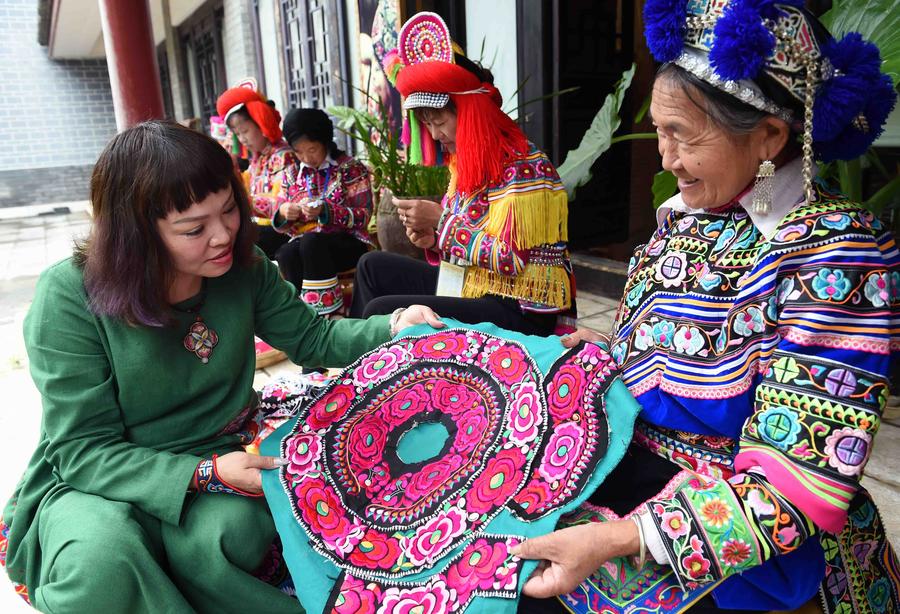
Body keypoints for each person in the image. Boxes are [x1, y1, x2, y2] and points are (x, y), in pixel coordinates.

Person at [513, 2, 899, 613]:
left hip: (752, 548)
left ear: (770, 135)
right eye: (661, 133)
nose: (666, 159)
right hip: (637, 478)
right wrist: (600, 357)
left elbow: (797, 480)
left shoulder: (835, 254)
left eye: (685, 137)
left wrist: (623, 537)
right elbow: (651, 358)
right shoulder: (685, 222)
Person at [0, 121, 442, 613]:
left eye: (229, 209)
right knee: (102, 561)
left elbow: (314, 338)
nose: (223, 235)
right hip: (97, 475)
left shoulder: (243, 265)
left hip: (212, 447)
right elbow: (81, 450)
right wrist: (205, 474)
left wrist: (394, 324)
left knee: (229, 537)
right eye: (194, 228)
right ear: (136, 235)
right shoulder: (70, 296)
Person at [349, 12, 575, 337]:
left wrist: (441, 223)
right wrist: (433, 240)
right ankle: (368, 373)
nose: (435, 133)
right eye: (427, 123)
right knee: (371, 267)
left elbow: (511, 258)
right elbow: (465, 236)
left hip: (519, 304)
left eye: (439, 121)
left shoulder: (524, 165)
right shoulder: (464, 163)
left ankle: (389, 376)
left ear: (470, 111)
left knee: (380, 311)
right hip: (475, 284)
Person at [273, 108, 374, 315]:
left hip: (348, 243)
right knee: (286, 252)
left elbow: (363, 216)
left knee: (311, 243)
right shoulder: (291, 174)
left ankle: (328, 314)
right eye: (299, 152)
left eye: (312, 150)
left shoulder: (350, 169)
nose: (306, 158)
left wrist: (327, 211)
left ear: (325, 142)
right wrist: (285, 212)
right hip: (305, 244)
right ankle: (301, 314)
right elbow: (281, 218)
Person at [216, 85, 295, 260]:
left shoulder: (284, 156)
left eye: (245, 131)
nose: (242, 138)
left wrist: (244, 201)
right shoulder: (257, 159)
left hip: (282, 228)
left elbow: (281, 205)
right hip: (260, 227)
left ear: (262, 123)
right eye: (238, 133)